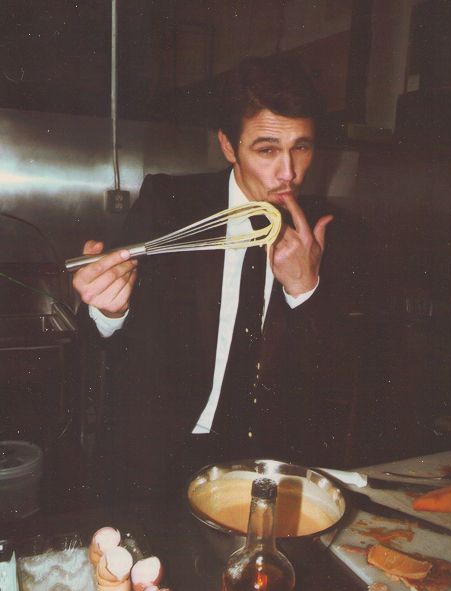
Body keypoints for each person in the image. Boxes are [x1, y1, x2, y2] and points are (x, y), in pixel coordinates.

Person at [74, 55, 358, 502]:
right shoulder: (168, 204)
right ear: (228, 146)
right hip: (157, 456)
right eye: (266, 150)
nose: (288, 172)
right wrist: (110, 308)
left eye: (301, 147)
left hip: (261, 466)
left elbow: (337, 379)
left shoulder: (326, 231)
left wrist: (305, 290)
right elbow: (102, 339)